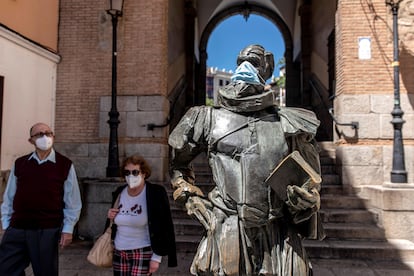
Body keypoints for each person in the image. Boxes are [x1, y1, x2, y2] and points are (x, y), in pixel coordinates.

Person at [168, 44, 325, 275]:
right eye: (242, 61)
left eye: (253, 63)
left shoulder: (291, 124)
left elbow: (311, 182)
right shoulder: (205, 118)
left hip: (278, 234)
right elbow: (178, 165)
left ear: (265, 70)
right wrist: (189, 196)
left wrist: (307, 201)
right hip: (227, 226)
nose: (245, 68)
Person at [0, 122, 82, 276]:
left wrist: (68, 229)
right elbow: (9, 196)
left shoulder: (64, 165)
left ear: (53, 137)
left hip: (47, 229)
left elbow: (73, 201)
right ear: (31, 140)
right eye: (39, 134)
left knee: (45, 272)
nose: (44, 137)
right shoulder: (20, 164)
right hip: (18, 227)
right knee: (6, 269)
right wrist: (6, 223)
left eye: (48, 133)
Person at [106, 155, 177, 275]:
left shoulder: (155, 193)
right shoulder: (120, 192)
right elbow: (113, 223)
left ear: (143, 173)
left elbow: (164, 225)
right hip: (119, 250)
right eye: (127, 172)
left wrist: (156, 258)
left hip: (142, 250)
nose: (131, 176)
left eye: (135, 172)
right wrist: (110, 216)